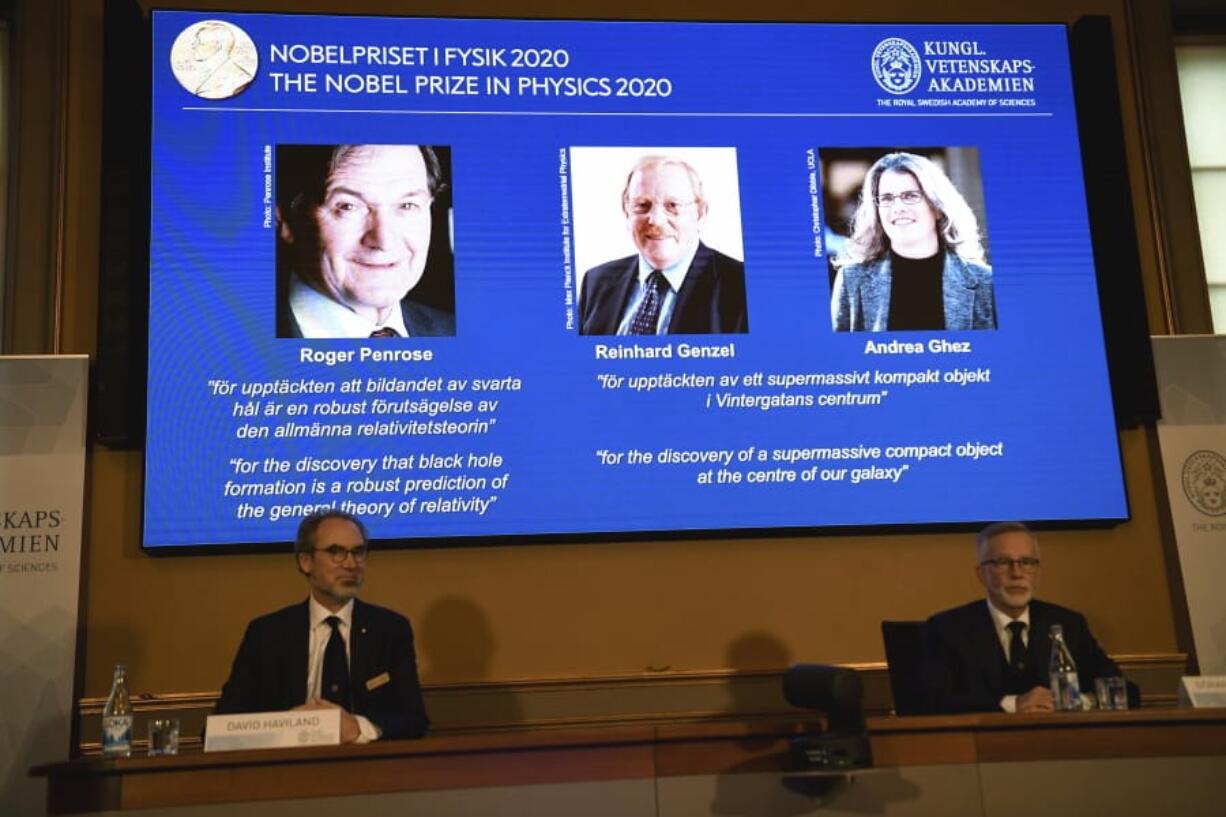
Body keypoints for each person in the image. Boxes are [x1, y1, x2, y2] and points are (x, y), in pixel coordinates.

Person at [213, 510, 429, 741]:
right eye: (336, 552)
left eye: (358, 552)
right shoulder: (267, 634)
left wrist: (357, 727)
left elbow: (414, 721)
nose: (351, 564)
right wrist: (287, 726)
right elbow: (221, 725)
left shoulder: (390, 630)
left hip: (368, 768)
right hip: (286, 771)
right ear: (306, 561)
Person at [923, 522, 1123, 714]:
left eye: (1027, 562)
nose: (1017, 573)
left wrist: (1072, 701)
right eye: (1003, 562)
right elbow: (932, 700)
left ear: (1037, 571)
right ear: (981, 574)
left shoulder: (1068, 624)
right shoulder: (947, 628)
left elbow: (1121, 687)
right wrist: (1013, 704)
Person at [276, 144, 455, 339]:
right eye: (348, 206)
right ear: (286, 221)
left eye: (407, 205)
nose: (383, 241)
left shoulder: (457, 332)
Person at [579, 155, 748, 335]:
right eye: (642, 205)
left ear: (700, 214)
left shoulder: (742, 287)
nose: (656, 221)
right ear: (626, 211)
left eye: (672, 205)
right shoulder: (596, 282)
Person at [830, 152, 996, 332]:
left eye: (910, 196)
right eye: (886, 198)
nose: (898, 208)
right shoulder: (851, 279)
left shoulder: (986, 282)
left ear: (938, 208)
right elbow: (839, 356)